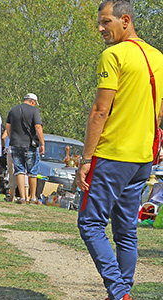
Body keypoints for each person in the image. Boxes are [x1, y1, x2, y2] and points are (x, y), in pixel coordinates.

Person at [76, 1, 163, 299]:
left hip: (113, 155)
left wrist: (86, 159)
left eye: (106, 22)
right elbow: (159, 111)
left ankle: (118, 290)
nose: (101, 28)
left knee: (89, 223)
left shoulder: (113, 55)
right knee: (126, 231)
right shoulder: (158, 58)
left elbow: (100, 111)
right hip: (142, 159)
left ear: (125, 20)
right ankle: (120, 294)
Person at [5, 93, 44, 204]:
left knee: (20, 170)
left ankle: (22, 198)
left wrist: (12, 138)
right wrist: (42, 143)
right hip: (30, 145)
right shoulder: (34, 111)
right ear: (33, 102)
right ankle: (32, 198)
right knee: (32, 171)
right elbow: (38, 126)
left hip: (16, 144)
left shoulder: (13, 110)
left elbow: (8, 126)